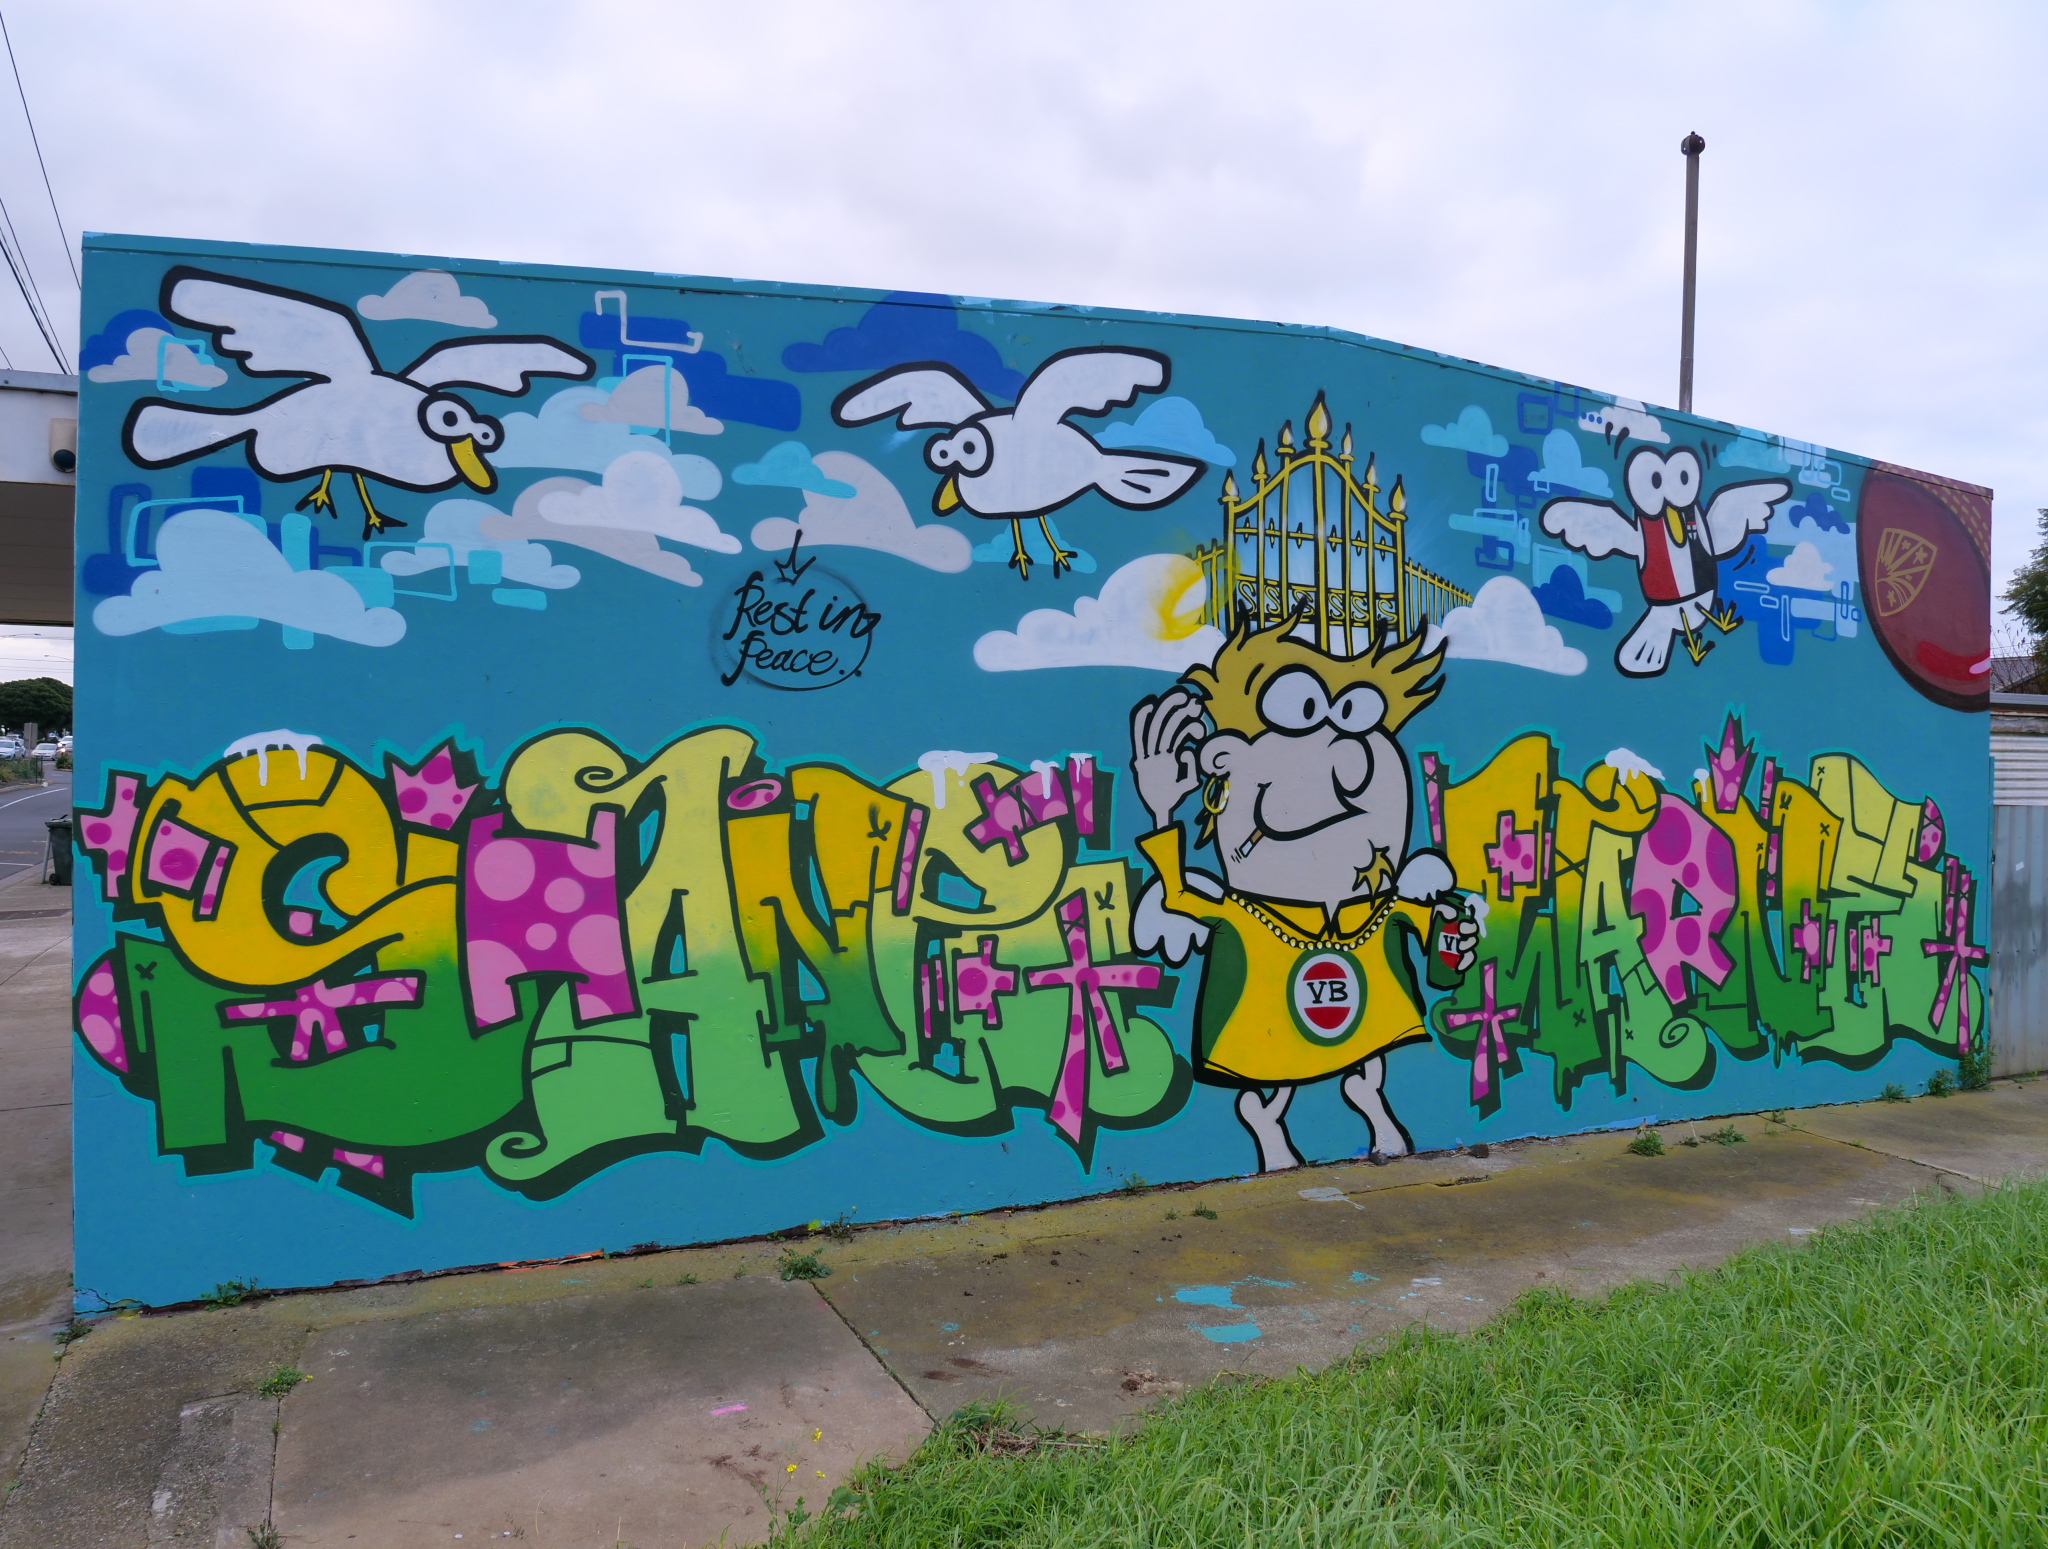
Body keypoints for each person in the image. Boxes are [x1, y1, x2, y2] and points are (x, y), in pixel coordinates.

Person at [1128, 611, 1476, 1170]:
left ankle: (1368, 1105)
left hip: (1365, 1023)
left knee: (1363, 1060)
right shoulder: (1246, 914)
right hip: (1268, 1033)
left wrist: (1454, 936)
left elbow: (1441, 951)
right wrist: (1162, 808)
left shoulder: (1381, 908)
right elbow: (1178, 897)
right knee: (1279, 1064)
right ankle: (1270, 1124)